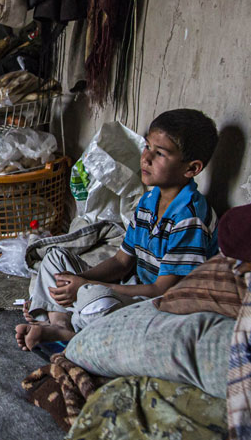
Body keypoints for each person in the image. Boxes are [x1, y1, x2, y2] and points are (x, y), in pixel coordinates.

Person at [15, 109, 220, 351]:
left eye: (160, 153)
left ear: (191, 169)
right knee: (54, 258)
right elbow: (122, 262)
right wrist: (83, 280)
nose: (146, 158)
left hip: (159, 305)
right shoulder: (148, 203)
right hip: (133, 285)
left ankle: (74, 328)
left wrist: (86, 287)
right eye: (147, 147)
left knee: (97, 301)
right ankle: (61, 325)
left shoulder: (189, 218)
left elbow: (163, 291)